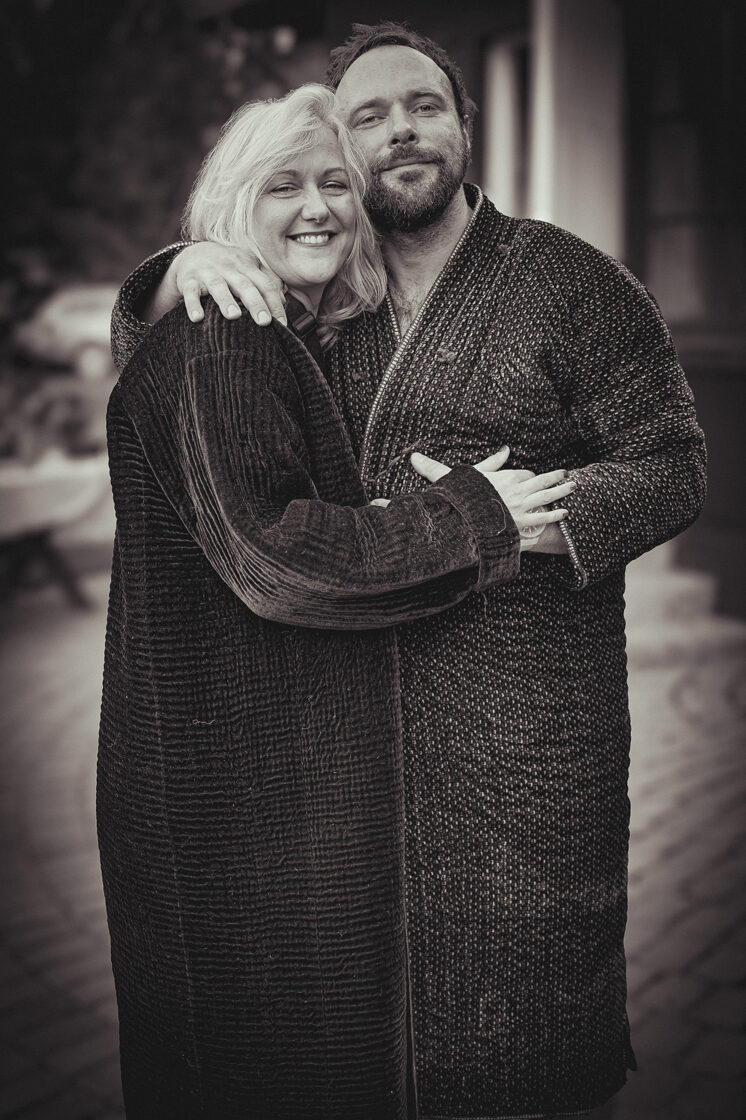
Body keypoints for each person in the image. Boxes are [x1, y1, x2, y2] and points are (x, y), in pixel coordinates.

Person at [110, 23, 707, 1120]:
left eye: (423, 106)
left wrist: (530, 520)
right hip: (347, 727)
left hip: (527, 725)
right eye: (369, 116)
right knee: (370, 1032)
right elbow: (195, 401)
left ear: (463, 126)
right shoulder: (322, 289)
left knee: (529, 1031)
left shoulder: (573, 283)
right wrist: (175, 271)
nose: (401, 132)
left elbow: (673, 465)